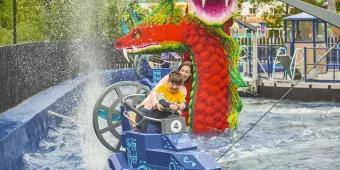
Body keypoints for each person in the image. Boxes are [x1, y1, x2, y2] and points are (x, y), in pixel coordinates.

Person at [136, 61, 192, 131]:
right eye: (182, 70)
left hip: (161, 118)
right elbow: (155, 91)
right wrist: (156, 103)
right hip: (147, 111)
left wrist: (181, 106)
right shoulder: (169, 78)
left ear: (190, 74)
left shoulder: (183, 90)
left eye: (187, 72)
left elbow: (179, 104)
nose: (183, 73)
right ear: (179, 70)